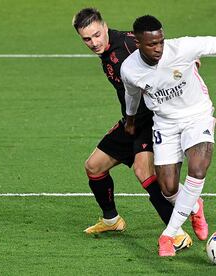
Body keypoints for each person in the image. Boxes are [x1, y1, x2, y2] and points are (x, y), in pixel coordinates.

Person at [121, 15, 216, 257]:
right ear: (138, 42)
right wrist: (129, 118)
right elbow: (132, 94)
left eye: (161, 41)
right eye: (152, 44)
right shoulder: (129, 69)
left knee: (198, 169)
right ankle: (194, 205)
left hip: (196, 115)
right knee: (168, 188)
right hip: (165, 124)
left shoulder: (181, 48)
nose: (159, 48)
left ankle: (168, 235)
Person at [72, 8, 193, 251]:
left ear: (105, 27)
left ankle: (177, 233)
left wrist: (188, 62)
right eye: (87, 39)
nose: (94, 42)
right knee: (94, 167)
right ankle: (111, 220)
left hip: (153, 119)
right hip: (131, 122)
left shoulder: (127, 44)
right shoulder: (107, 52)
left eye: (97, 35)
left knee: (143, 171)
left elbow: (161, 49)